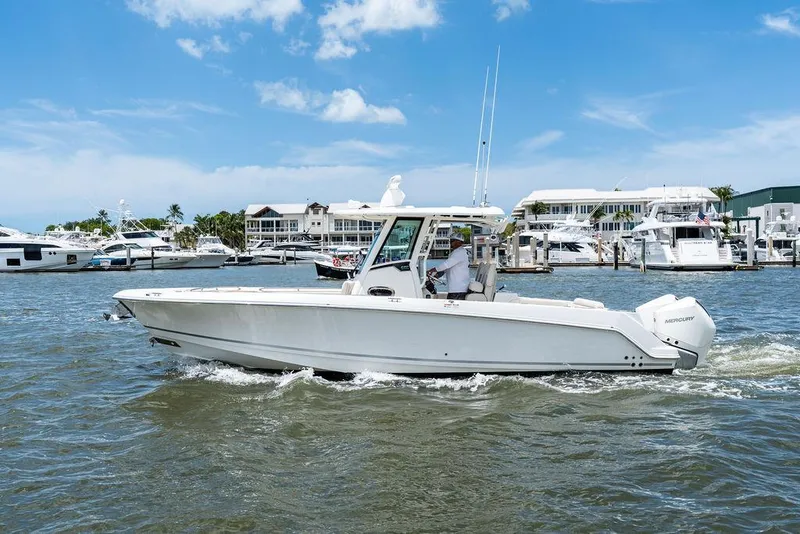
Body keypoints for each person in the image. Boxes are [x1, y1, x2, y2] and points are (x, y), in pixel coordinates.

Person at [427, 232, 470, 299]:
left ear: (458, 242)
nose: (450, 243)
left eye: (452, 241)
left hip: (458, 289)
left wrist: (431, 270)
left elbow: (446, 265)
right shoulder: (458, 252)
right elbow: (447, 268)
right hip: (457, 288)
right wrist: (436, 275)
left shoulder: (459, 252)